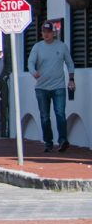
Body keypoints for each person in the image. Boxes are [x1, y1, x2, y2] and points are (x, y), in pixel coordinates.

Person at [27, 22, 76, 154]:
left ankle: (62, 141)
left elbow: (70, 63)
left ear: (53, 33)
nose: (46, 34)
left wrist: (71, 79)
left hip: (58, 86)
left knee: (60, 114)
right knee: (44, 116)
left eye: (49, 31)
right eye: (44, 32)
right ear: (41, 33)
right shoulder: (37, 47)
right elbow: (30, 62)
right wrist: (33, 72)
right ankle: (48, 142)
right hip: (42, 88)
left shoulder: (61, 46)